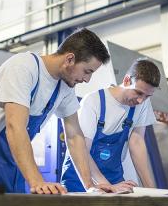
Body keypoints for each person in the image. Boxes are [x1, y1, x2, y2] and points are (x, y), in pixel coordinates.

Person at [0, 28, 110, 194]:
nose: (87, 79)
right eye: (87, 71)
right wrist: (37, 182)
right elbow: (15, 126)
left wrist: (90, 186)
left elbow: (74, 136)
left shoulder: (65, 86)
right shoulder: (23, 67)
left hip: (16, 166)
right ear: (70, 59)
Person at [61, 59, 159, 193]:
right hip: (79, 179)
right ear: (126, 81)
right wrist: (106, 186)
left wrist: (153, 191)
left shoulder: (142, 104)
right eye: (138, 92)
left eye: (148, 96)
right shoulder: (93, 101)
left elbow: (137, 143)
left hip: (114, 178)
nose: (141, 100)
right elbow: (82, 149)